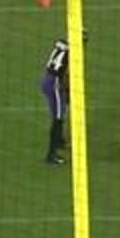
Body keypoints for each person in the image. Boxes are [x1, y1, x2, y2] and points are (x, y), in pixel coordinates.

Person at [40, 30, 85, 165]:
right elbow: (66, 73)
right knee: (58, 118)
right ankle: (51, 155)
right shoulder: (74, 52)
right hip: (55, 84)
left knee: (60, 112)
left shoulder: (61, 42)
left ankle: (59, 141)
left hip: (46, 79)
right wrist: (68, 90)